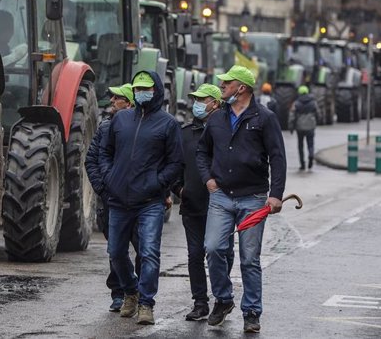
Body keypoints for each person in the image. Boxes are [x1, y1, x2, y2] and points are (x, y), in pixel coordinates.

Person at [196, 65, 286, 334]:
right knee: (212, 248)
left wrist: (276, 195)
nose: (221, 86)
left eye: (227, 82)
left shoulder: (265, 118)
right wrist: (207, 179)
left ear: (242, 88)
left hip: (254, 198)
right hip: (221, 195)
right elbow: (202, 152)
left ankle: (252, 311)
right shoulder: (216, 119)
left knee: (249, 258)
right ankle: (223, 300)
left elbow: (278, 157)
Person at [99, 70, 184, 325]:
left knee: (149, 253)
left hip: (149, 203)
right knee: (115, 252)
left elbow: (175, 162)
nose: (140, 93)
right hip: (119, 200)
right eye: (136, 89)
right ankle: (131, 291)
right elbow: (105, 153)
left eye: (145, 88)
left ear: (156, 90)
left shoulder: (168, 124)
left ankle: (146, 304)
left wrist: (157, 184)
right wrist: (110, 177)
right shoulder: (121, 120)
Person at [171, 83, 233, 322]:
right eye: (195, 99)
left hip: (222, 206)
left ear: (215, 103)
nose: (197, 103)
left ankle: (221, 298)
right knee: (195, 254)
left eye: (202, 99)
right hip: (192, 205)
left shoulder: (228, 131)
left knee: (222, 252)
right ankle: (200, 302)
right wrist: (179, 189)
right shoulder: (186, 133)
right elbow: (176, 165)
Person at [85, 83, 139, 313]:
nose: (111, 102)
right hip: (111, 200)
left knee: (143, 249)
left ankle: (138, 292)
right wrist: (103, 189)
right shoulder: (105, 129)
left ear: (128, 103)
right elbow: (92, 161)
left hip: (138, 200)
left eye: (117, 98)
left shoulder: (141, 128)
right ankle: (120, 292)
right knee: (116, 250)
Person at [288, 85, 319, 170]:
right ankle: (311, 155)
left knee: (300, 146)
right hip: (310, 127)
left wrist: (291, 127)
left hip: (300, 128)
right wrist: (317, 121)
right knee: (310, 144)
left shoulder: (296, 103)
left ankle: (302, 164)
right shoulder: (313, 102)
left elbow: (292, 116)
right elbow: (318, 113)